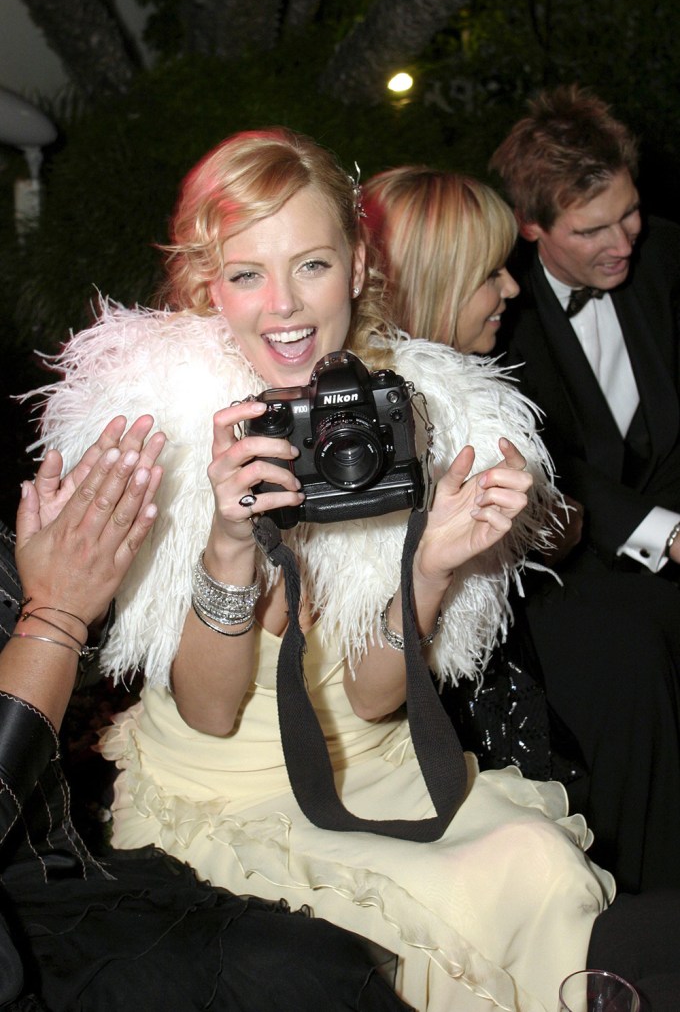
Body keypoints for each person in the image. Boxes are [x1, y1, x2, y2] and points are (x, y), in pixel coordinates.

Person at [28, 127, 615, 1012]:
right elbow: (211, 710)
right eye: (245, 273)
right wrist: (229, 540)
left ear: (357, 264)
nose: (282, 307)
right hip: (222, 787)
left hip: (379, 763)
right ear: (203, 284)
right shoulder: (157, 426)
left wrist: (429, 568)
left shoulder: (424, 413)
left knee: (540, 869)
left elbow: (378, 698)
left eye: (311, 264)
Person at [0, 416, 411, 1011]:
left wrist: (62, 577)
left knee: (314, 966)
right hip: (38, 916)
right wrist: (56, 615)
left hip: (57, 874)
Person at [488, 85, 680, 893]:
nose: (621, 240)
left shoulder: (666, 253)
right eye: (591, 228)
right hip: (561, 558)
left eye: (628, 213)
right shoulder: (502, 311)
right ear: (532, 227)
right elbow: (555, 469)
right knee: (638, 660)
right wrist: (665, 533)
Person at [360, 164, 588, 783]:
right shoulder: (429, 420)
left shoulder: (476, 389)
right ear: (438, 285)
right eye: (490, 275)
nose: (511, 289)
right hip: (444, 712)